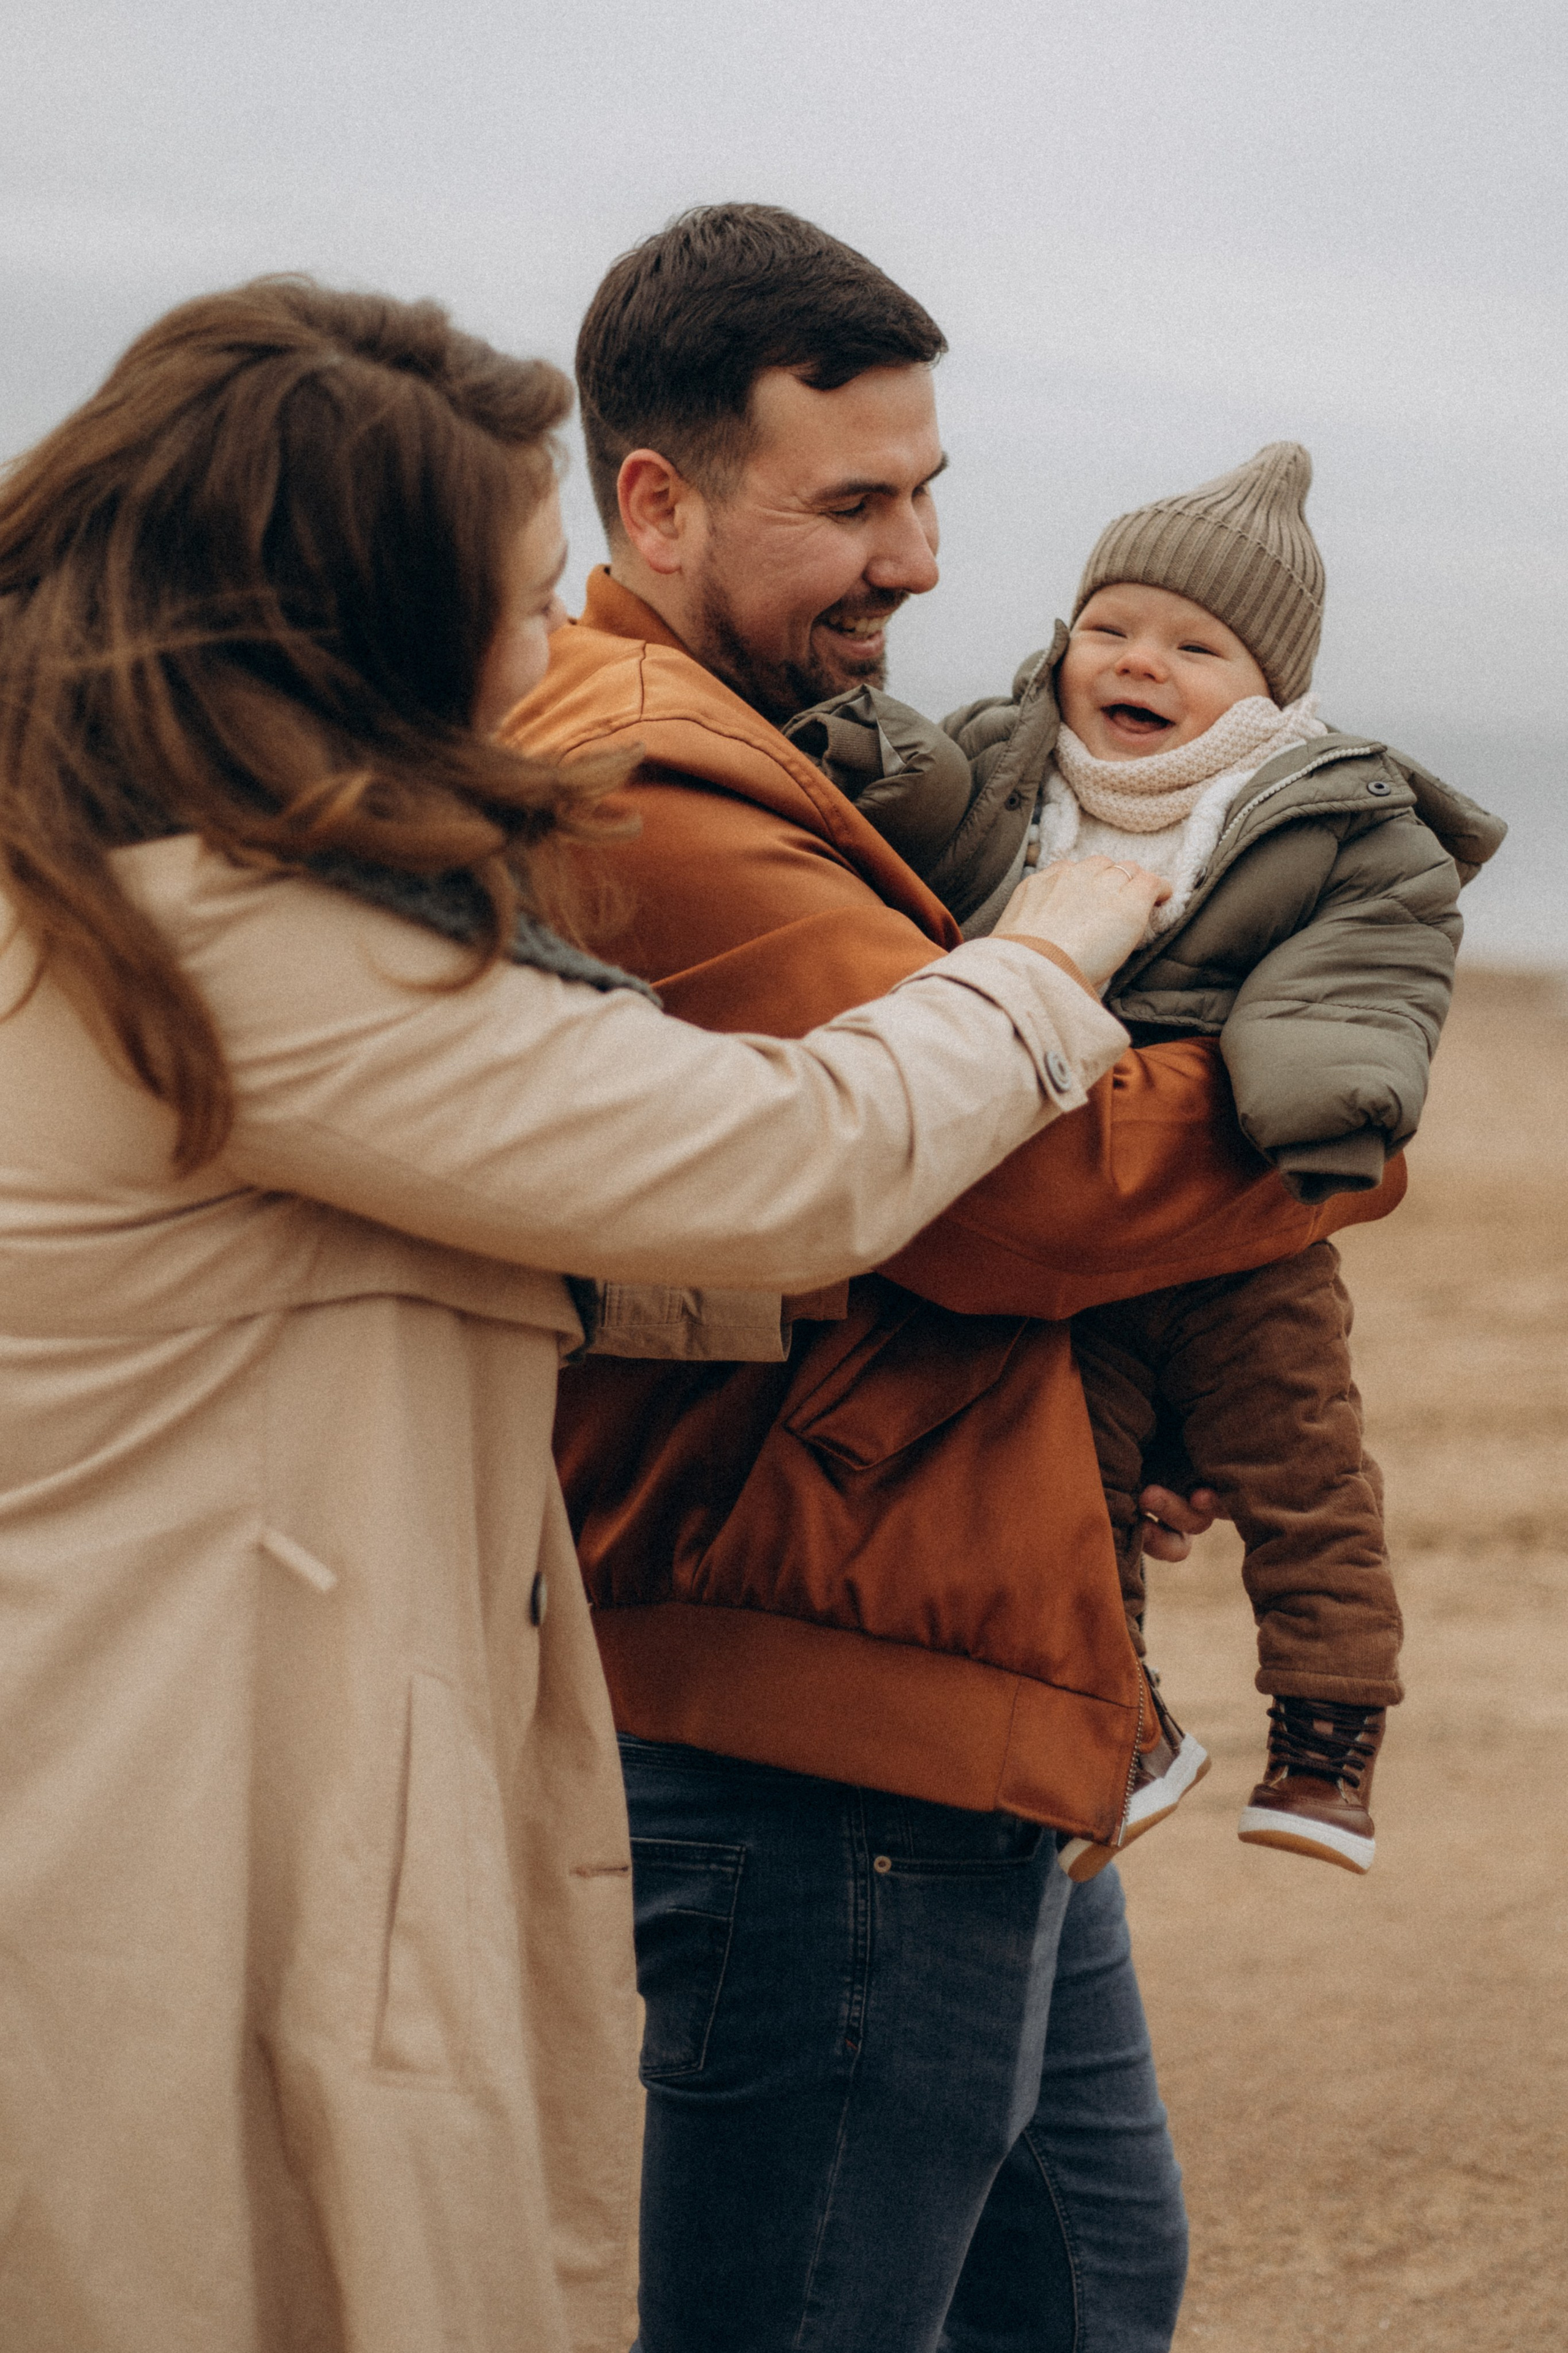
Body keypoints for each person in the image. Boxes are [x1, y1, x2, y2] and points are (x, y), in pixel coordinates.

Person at [0, 275, 1182, 2353]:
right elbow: (792, 1156)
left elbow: (489, 1223)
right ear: (359, 621)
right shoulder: (236, 938)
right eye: (520, 593)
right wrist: (1051, 954)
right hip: (168, 1787)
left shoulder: (110, 875)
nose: (548, 643)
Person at [509, 204, 1409, 2353]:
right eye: (853, 506)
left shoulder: (782, 745)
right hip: (822, 1709)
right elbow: (1015, 1185)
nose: (918, 560)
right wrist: (1329, 1126)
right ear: (658, 501)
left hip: (966, 1644)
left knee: (1088, 2283)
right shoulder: (653, 779)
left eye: (927, 495)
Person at [785, 440, 1506, 1878]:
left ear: (1268, 688)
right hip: (1066, 1206)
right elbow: (925, 804)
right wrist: (855, 749)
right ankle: (1119, 1732)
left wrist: (1323, 1088)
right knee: (1069, 1494)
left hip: (1236, 1223)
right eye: (1110, 626)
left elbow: (1363, 964)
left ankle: (1327, 1731)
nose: (1137, 661)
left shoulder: (1328, 811)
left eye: (1192, 645)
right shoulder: (1006, 762)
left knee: (1302, 1474)